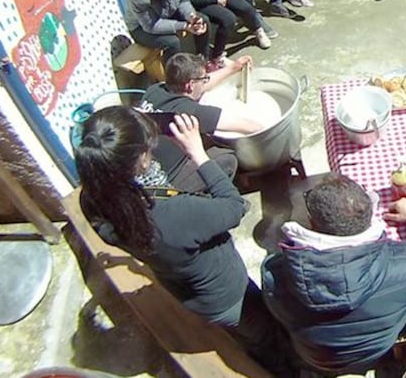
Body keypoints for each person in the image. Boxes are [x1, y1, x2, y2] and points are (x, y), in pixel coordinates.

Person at [75, 107, 286, 373]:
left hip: (185, 290)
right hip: (225, 295)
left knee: (240, 331)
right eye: (149, 148)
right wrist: (198, 153)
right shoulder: (174, 216)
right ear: (139, 159)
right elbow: (235, 207)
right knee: (263, 336)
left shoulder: (92, 200)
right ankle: (280, 366)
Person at [261, 174, 406, 374]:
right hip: (376, 352)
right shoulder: (405, 266)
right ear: (369, 216)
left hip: (314, 360)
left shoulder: (275, 271)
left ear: (312, 223)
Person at [140, 52, 266, 136]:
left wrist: (233, 68)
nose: (206, 81)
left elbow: (201, 86)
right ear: (189, 85)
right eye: (204, 79)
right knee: (227, 156)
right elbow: (253, 128)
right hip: (169, 169)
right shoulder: (191, 113)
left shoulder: (155, 89)